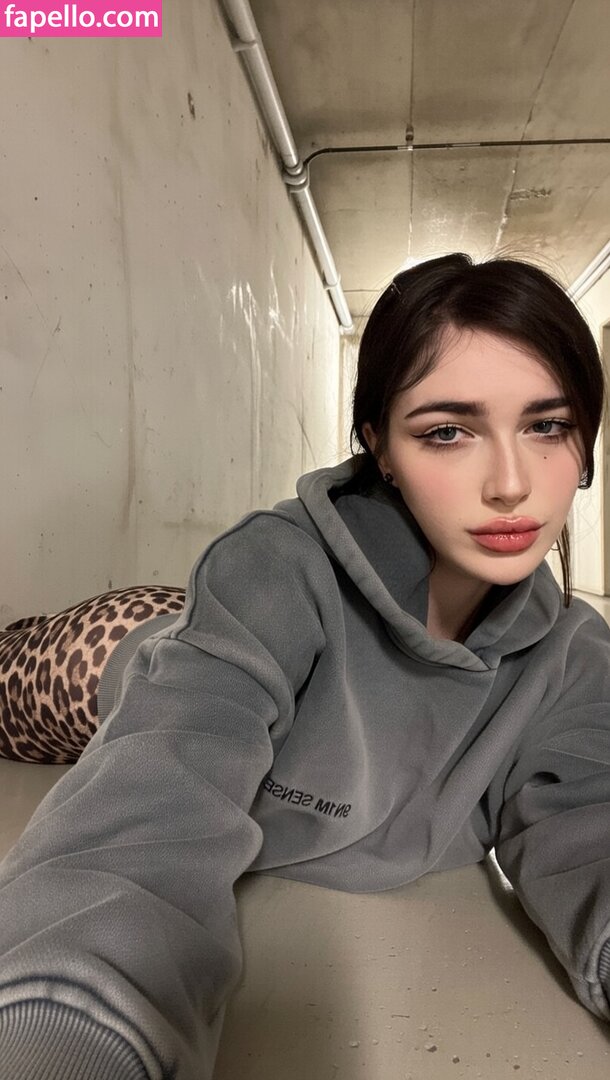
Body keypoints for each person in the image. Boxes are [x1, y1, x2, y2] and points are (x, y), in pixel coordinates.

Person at [1, 252, 609, 1080]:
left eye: (548, 425)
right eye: (446, 431)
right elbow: (153, 791)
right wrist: (72, 1027)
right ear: (379, 446)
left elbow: (588, 816)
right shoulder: (272, 569)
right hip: (109, 654)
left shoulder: (572, 653)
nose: (511, 484)